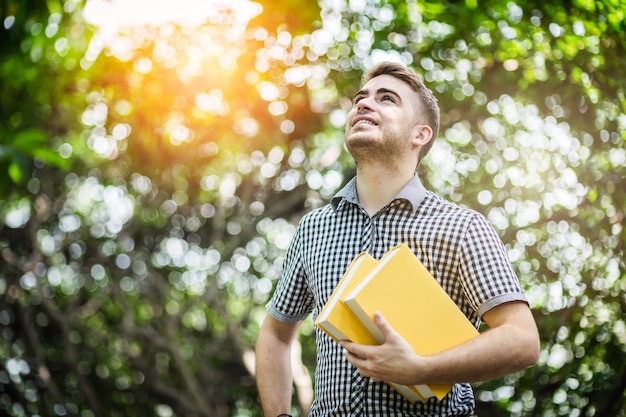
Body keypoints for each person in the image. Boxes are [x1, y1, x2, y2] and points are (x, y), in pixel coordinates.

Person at [255, 61, 540, 417]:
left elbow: (523, 340)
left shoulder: (463, 226)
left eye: (386, 99)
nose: (363, 104)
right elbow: (276, 333)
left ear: (420, 134)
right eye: (360, 98)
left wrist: (421, 369)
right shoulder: (313, 228)